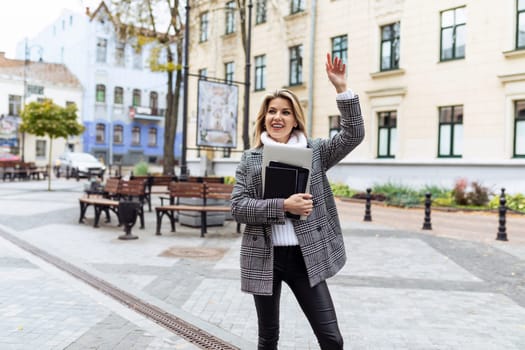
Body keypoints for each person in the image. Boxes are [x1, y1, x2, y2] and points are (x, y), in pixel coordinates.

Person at [231, 53, 365, 349]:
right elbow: (237, 207)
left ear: (295, 119)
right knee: (268, 339)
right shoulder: (250, 159)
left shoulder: (315, 151)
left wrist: (342, 88)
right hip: (265, 256)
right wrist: (283, 207)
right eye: (272, 111)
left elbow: (353, 134)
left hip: (306, 256)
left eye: (286, 112)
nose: (277, 117)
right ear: (264, 118)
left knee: (332, 339)